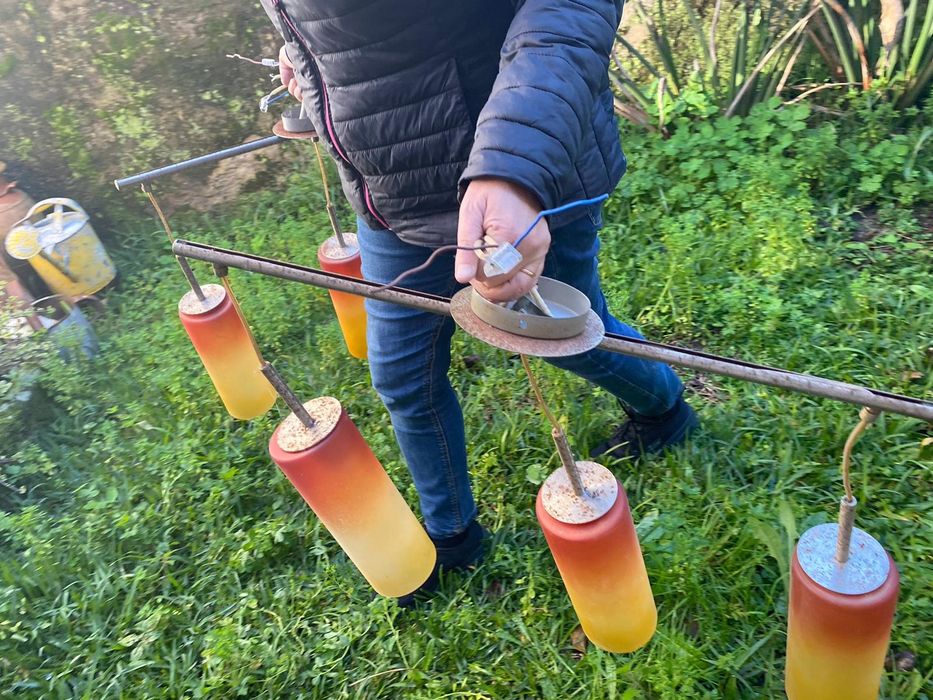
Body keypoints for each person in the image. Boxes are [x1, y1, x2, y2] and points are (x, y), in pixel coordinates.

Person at [261, 0, 697, 602]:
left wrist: (513, 169)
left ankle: (665, 409)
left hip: (531, 163)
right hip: (394, 194)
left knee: (568, 340)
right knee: (403, 377)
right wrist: (307, 54)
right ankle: (453, 535)